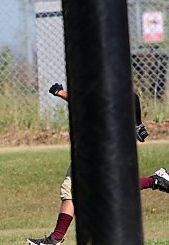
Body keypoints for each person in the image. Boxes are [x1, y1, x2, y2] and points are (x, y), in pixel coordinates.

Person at [26, 83, 169, 245]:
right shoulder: (100, 94)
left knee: (98, 189)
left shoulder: (102, 90)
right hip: (90, 152)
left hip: (98, 153)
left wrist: (60, 93)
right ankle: (56, 238)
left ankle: (155, 180)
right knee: (76, 190)